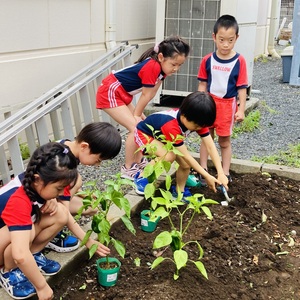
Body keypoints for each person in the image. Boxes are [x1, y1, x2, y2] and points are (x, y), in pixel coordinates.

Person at [96, 36, 190, 181]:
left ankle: (138, 162)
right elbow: (146, 94)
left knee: (141, 126)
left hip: (121, 93)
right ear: (161, 57)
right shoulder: (152, 66)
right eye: (173, 64)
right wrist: (137, 114)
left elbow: (151, 93)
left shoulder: (162, 70)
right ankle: (128, 168)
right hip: (111, 90)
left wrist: (139, 116)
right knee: (136, 128)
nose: (176, 69)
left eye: (180, 65)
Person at [0, 142, 80, 300]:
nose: (60, 193)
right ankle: (8, 271)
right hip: (7, 245)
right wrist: (42, 286)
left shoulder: (35, 184)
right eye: (58, 189)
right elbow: (20, 254)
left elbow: (64, 212)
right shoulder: (17, 199)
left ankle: (33, 256)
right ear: (37, 180)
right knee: (26, 232)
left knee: (60, 213)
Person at [133, 91, 229, 202]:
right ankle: (141, 177)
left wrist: (221, 173)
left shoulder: (198, 120)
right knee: (169, 156)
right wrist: (207, 176)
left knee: (185, 165)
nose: (198, 128)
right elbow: (187, 155)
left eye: (201, 126)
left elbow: (210, 147)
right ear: (183, 116)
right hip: (145, 134)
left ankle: (179, 192)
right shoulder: (171, 125)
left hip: (164, 137)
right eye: (196, 126)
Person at [44, 121, 122, 253]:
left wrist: (82, 193)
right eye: (98, 160)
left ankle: (51, 229)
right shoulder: (63, 165)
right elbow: (65, 212)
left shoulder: (66, 145)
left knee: (91, 205)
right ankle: (47, 236)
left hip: (47, 197)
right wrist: (88, 241)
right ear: (84, 146)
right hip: (35, 206)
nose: (97, 165)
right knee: (63, 215)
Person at [197, 15, 248, 183]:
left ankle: (225, 173)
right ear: (214, 37)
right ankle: (203, 170)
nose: (225, 45)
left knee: (224, 141)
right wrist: (199, 104)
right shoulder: (207, 60)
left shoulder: (239, 61)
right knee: (206, 137)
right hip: (209, 103)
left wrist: (241, 110)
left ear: (236, 38)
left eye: (230, 40)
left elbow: (241, 88)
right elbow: (202, 85)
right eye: (221, 40)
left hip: (227, 106)